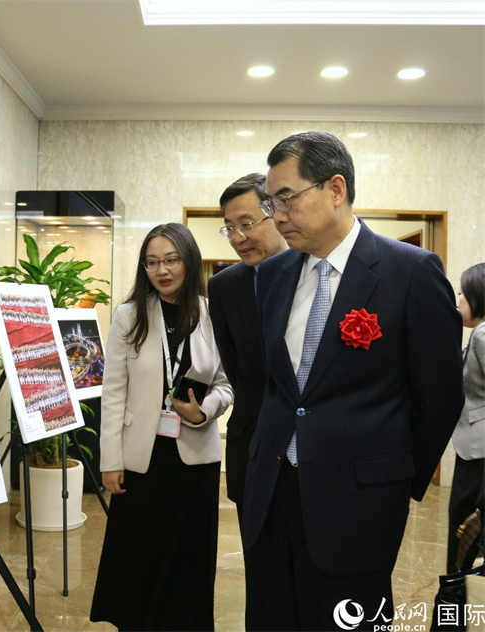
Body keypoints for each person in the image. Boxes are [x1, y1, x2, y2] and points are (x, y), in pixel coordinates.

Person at [243, 131, 464, 630]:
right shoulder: (273, 276)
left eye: (286, 198)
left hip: (358, 506)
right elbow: (275, 385)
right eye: (269, 201)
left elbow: (441, 397)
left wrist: (391, 477)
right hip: (270, 496)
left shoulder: (410, 271)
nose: (274, 215)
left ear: (335, 189)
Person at [90, 222, 233, 631]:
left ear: (189, 261)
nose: (162, 270)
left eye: (171, 260)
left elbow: (226, 384)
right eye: (152, 262)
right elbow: (113, 392)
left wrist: (202, 411)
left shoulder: (211, 315)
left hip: (194, 460)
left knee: (189, 562)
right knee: (138, 560)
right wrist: (110, 460)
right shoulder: (129, 316)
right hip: (141, 460)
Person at [207, 173, 286, 523]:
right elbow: (235, 368)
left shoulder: (315, 273)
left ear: (276, 212)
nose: (238, 238)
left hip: (317, 453)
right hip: (250, 442)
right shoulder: (223, 287)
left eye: (247, 223)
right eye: (229, 228)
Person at [446, 262, 485, 572]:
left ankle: (458, 607)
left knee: (466, 534)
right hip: (473, 449)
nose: (456, 297)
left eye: (461, 291)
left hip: (480, 456)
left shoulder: (483, 336)